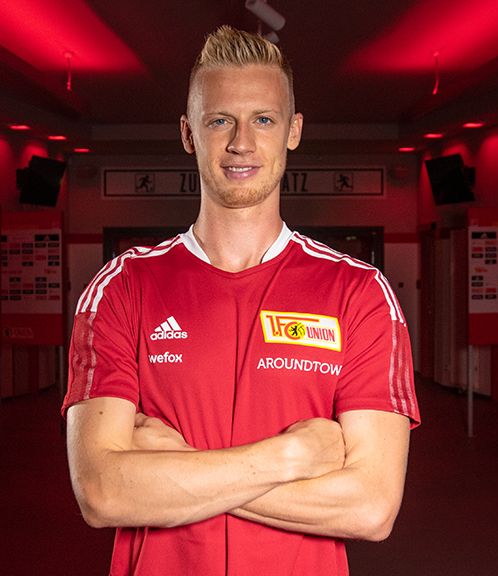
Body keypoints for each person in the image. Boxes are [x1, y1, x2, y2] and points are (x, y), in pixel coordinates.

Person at [63, 25, 420, 576]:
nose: (241, 143)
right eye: (219, 121)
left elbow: (370, 507)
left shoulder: (360, 294)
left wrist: (177, 470)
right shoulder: (121, 288)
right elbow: (102, 493)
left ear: (293, 131)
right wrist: (289, 457)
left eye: (264, 120)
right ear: (188, 133)